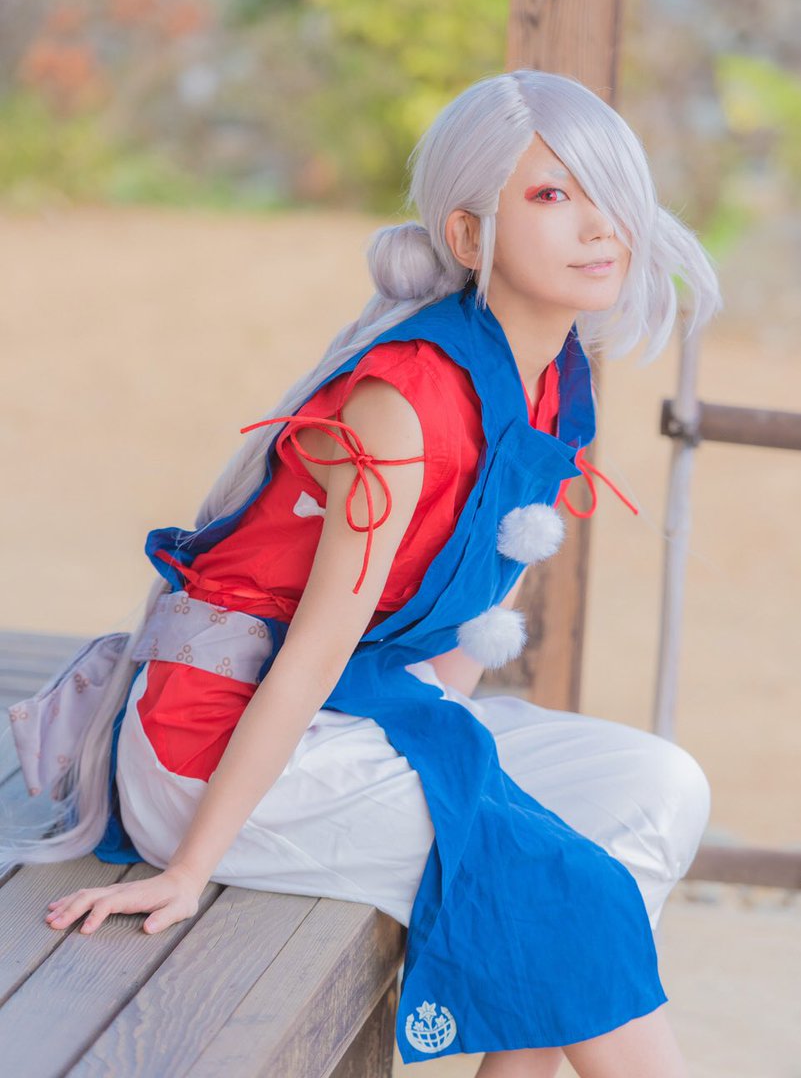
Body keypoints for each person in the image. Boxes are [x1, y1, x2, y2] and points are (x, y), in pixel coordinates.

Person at [4, 70, 722, 1076]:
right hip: (214, 746)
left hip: (365, 712)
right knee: (557, 875)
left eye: (612, 192)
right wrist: (189, 866)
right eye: (552, 194)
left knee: (657, 786)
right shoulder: (404, 402)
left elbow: (471, 609)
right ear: (468, 234)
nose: (601, 225)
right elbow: (312, 648)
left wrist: (469, 760)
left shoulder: (555, 379)